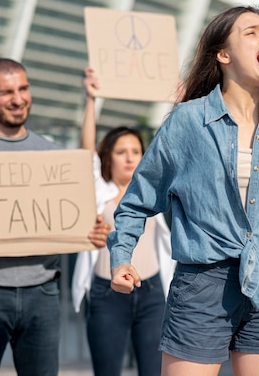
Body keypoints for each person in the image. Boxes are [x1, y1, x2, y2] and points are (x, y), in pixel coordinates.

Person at [107, 5, 259, 376]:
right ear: (223, 54)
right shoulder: (188, 122)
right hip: (203, 286)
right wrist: (122, 256)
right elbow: (137, 201)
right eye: (251, 32)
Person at [0, 58, 110, 376]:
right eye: (6, 92)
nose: (18, 99)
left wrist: (92, 232)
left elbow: (79, 211)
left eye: (23, 88)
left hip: (43, 292)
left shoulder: (55, 156)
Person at [70, 68, 176, 376]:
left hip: (152, 293)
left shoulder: (151, 190)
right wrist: (91, 98)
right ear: (108, 157)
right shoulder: (98, 192)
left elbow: (169, 144)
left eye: (135, 151)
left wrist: (181, 104)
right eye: (121, 151)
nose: (130, 157)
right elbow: (85, 151)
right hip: (107, 295)